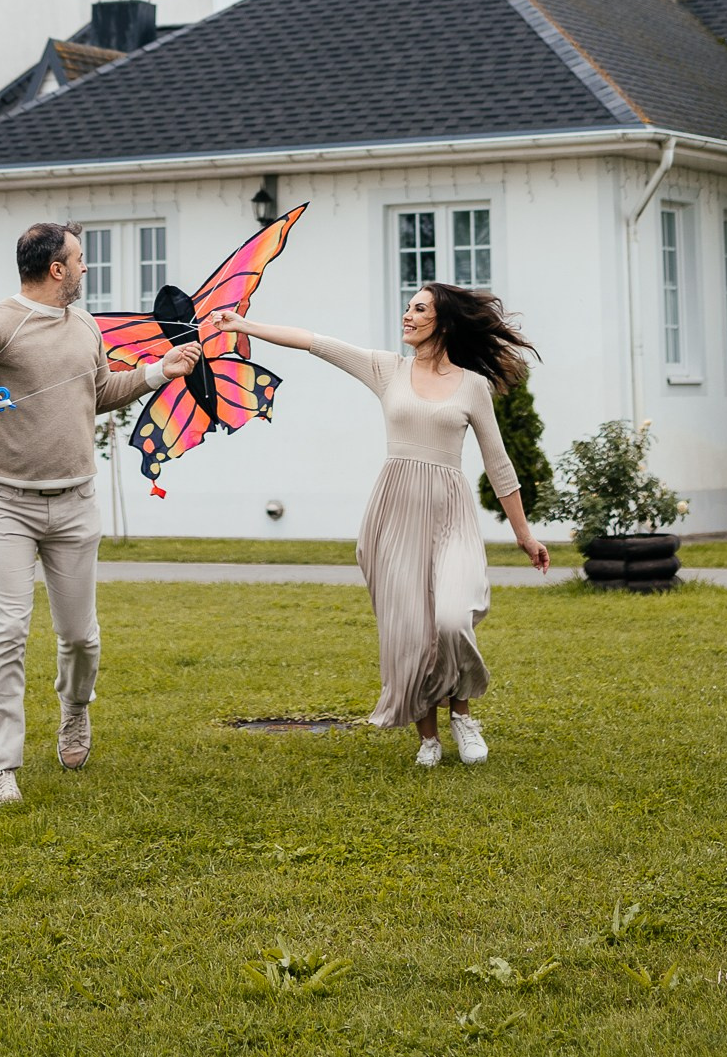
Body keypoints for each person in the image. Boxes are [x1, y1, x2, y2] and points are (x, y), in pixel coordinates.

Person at [0, 221, 198, 804]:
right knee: (8, 630)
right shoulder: (0, 322)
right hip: (5, 505)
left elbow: (97, 392)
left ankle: (75, 709)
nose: (85, 268)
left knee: (80, 639)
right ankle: (1, 767)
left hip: (75, 502)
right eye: (79, 259)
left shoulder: (86, 327)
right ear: (56, 269)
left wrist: (157, 372)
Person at [230, 282, 550, 764]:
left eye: (419, 309)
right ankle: (428, 738)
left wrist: (524, 534)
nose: (407, 315)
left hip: (450, 510)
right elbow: (314, 342)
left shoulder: (472, 385)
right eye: (407, 307)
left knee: (450, 618)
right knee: (410, 631)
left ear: (442, 322)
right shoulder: (387, 369)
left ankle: (462, 715)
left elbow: (498, 463)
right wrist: (245, 325)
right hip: (395, 510)